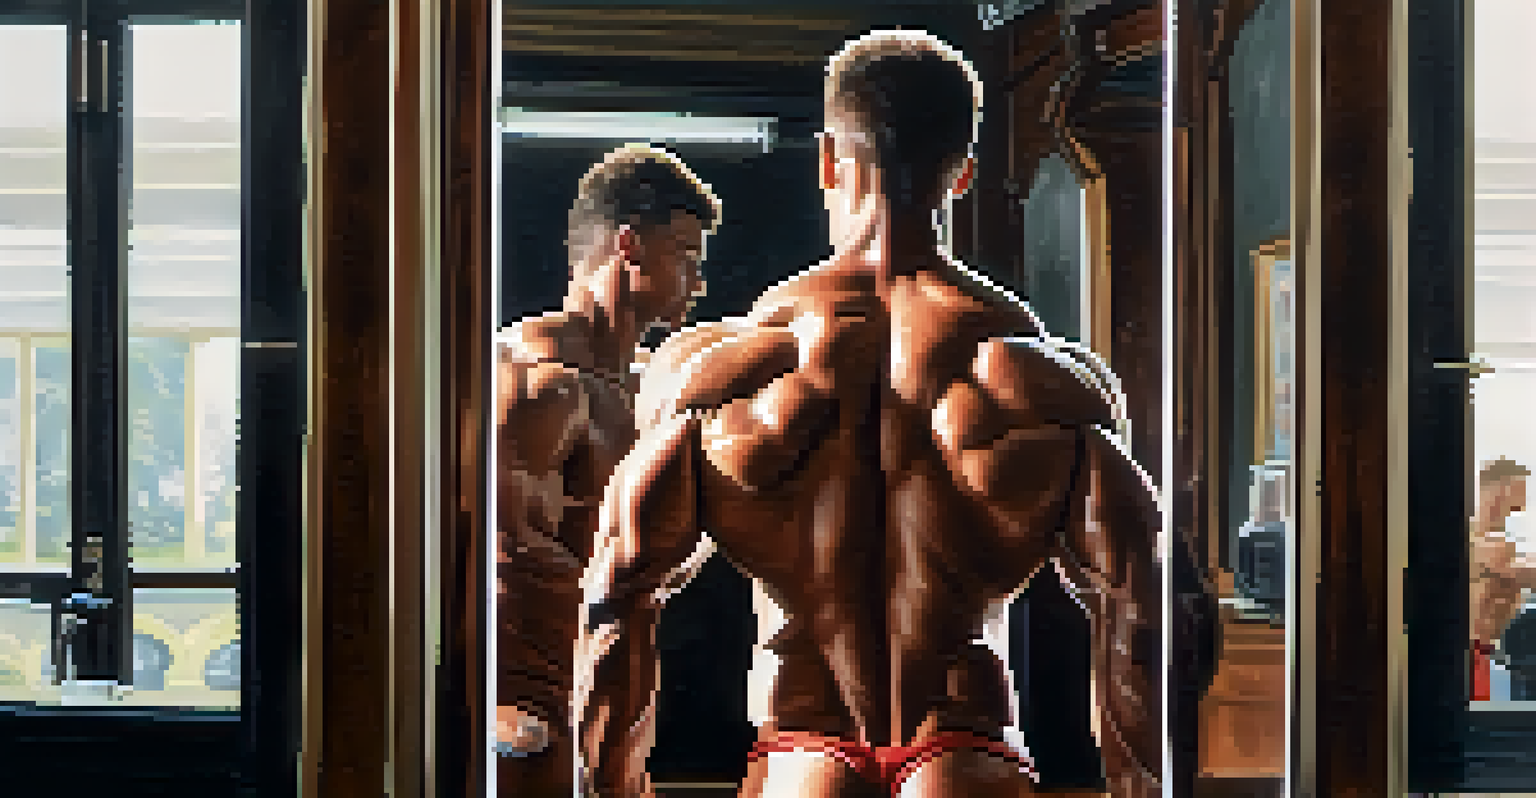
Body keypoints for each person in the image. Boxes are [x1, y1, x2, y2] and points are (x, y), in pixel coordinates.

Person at [573, 31, 1215, 798]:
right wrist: (1141, 789)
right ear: (963, 173)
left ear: (826, 161)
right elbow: (1146, 606)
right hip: (965, 751)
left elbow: (615, 597)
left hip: (800, 756)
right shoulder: (1037, 377)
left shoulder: (721, 371)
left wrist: (616, 788)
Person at [494, 143, 717, 796]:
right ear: (630, 245)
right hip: (530, 709)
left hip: (612, 697)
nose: (697, 282)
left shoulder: (647, 391)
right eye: (687, 255)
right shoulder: (541, 382)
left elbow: (656, 557)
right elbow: (507, 557)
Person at [1469, 456, 1531, 700]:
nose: (1524, 502)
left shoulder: (1499, 542)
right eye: (1520, 491)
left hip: (1491, 653)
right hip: (1474, 653)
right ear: (1501, 490)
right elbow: (1523, 573)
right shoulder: (1480, 541)